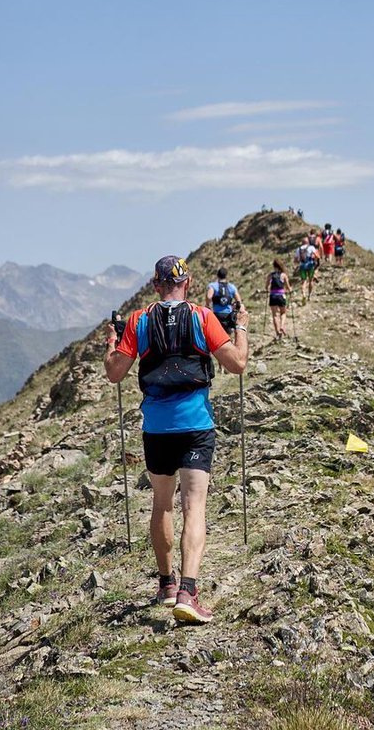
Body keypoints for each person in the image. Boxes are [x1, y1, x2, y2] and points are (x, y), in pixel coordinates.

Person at [104, 255, 249, 625]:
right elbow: (237, 364)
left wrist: (112, 343)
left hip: (156, 427)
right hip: (195, 424)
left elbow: (115, 373)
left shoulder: (139, 320)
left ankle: (167, 585)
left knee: (162, 503)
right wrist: (242, 329)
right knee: (194, 506)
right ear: (188, 283)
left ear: (155, 285)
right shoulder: (202, 316)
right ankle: (189, 591)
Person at [206, 267, 241, 335]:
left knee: (217, 335)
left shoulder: (213, 286)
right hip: (228, 314)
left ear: (217, 275)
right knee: (228, 335)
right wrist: (235, 311)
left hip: (217, 314)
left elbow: (209, 296)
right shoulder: (231, 287)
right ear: (226, 276)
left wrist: (208, 305)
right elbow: (238, 300)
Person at [266, 258, 289, 339]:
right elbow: (288, 287)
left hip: (273, 296)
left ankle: (277, 333)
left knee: (275, 315)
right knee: (283, 313)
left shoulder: (270, 275)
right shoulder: (283, 275)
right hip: (281, 296)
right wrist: (289, 290)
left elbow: (266, 286)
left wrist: (267, 289)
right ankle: (282, 326)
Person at [294, 236, 318, 301]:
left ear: (302, 242)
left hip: (302, 266)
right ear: (308, 242)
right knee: (311, 280)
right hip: (310, 266)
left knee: (303, 281)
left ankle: (304, 294)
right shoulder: (311, 247)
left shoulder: (298, 249)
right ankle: (309, 296)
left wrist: (298, 263)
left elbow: (295, 260)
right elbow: (317, 256)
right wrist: (314, 260)